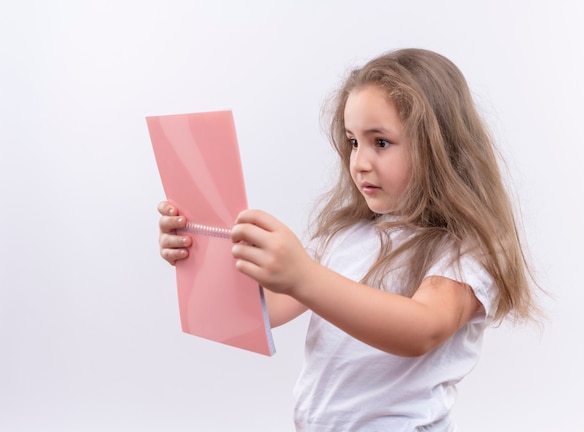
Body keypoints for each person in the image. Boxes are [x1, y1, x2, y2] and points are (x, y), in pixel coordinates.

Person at [157, 48, 540, 431]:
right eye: (353, 141)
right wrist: (199, 251)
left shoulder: (461, 248)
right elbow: (264, 312)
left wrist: (303, 275)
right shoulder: (346, 234)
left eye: (381, 143)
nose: (359, 161)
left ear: (439, 146)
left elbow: (421, 329)